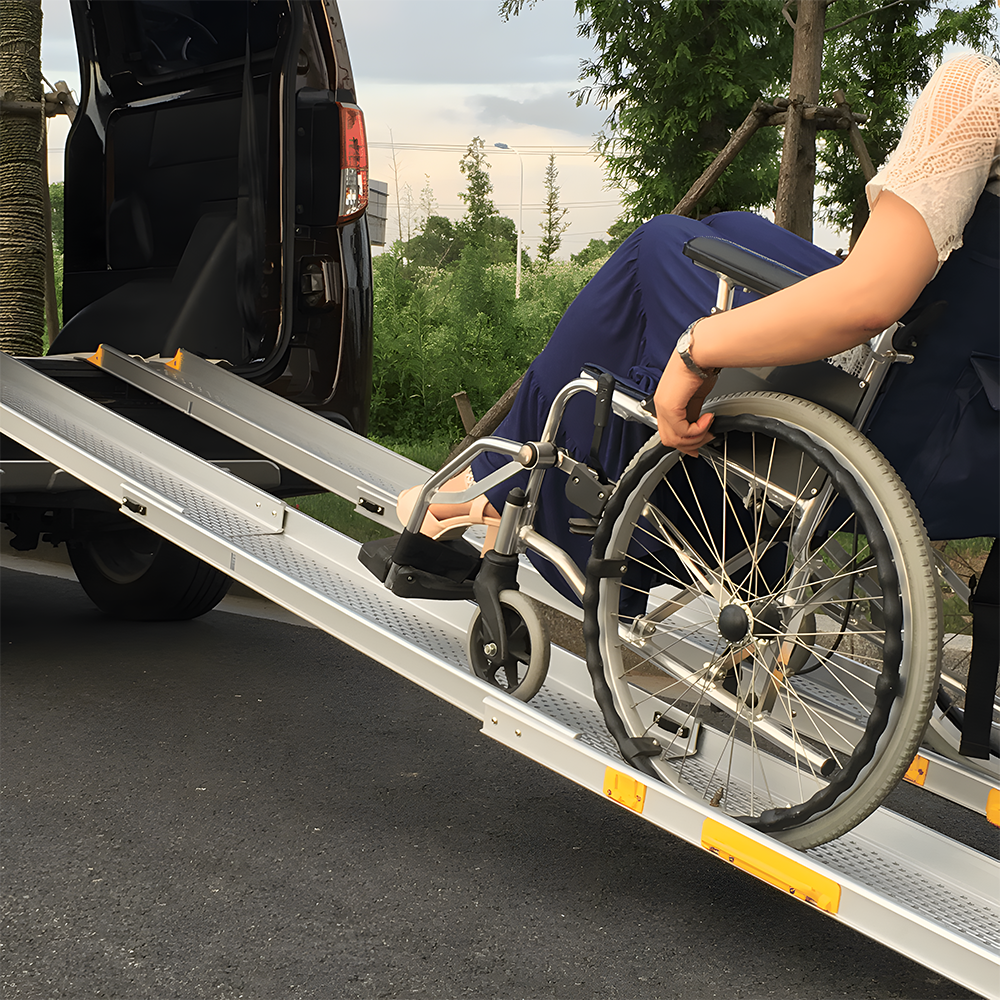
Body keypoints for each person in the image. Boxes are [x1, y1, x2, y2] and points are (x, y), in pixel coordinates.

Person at [399, 52, 1000, 607]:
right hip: (974, 456)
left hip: (893, 399)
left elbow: (871, 298)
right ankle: (533, 490)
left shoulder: (980, 93)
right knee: (727, 229)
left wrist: (696, 352)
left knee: (659, 250)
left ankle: (497, 490)